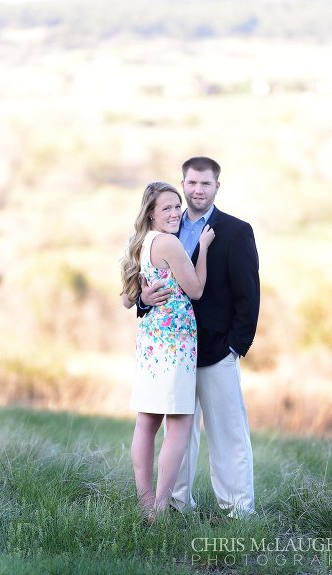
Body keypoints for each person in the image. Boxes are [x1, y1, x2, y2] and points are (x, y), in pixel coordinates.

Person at [139, 157, 260, 518]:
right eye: (191, 183)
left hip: (216, 350)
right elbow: (149, 288)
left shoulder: (236, 232)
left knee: (227, 432)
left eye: (205, 184)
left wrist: (236, 345)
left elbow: (248, 295)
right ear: (183, 183)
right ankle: (176, 503)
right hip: (176, 352)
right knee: (180, 432)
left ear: (216, 187)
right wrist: (144, 302)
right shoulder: (167, 232)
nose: (197, 190)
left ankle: (238, 511)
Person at [120, 181, 214, 519]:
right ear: (152, 213)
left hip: (149, 345)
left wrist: (143, 298)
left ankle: (145, 505)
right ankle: (159, 508)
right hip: (174, 345)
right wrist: (202, 247)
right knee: (179, 425)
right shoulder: (169, 243)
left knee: (146, 422)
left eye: (178, 206)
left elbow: (125, 298)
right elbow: (197, 289)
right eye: (167, 208)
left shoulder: (140, 244)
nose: (176, 213)